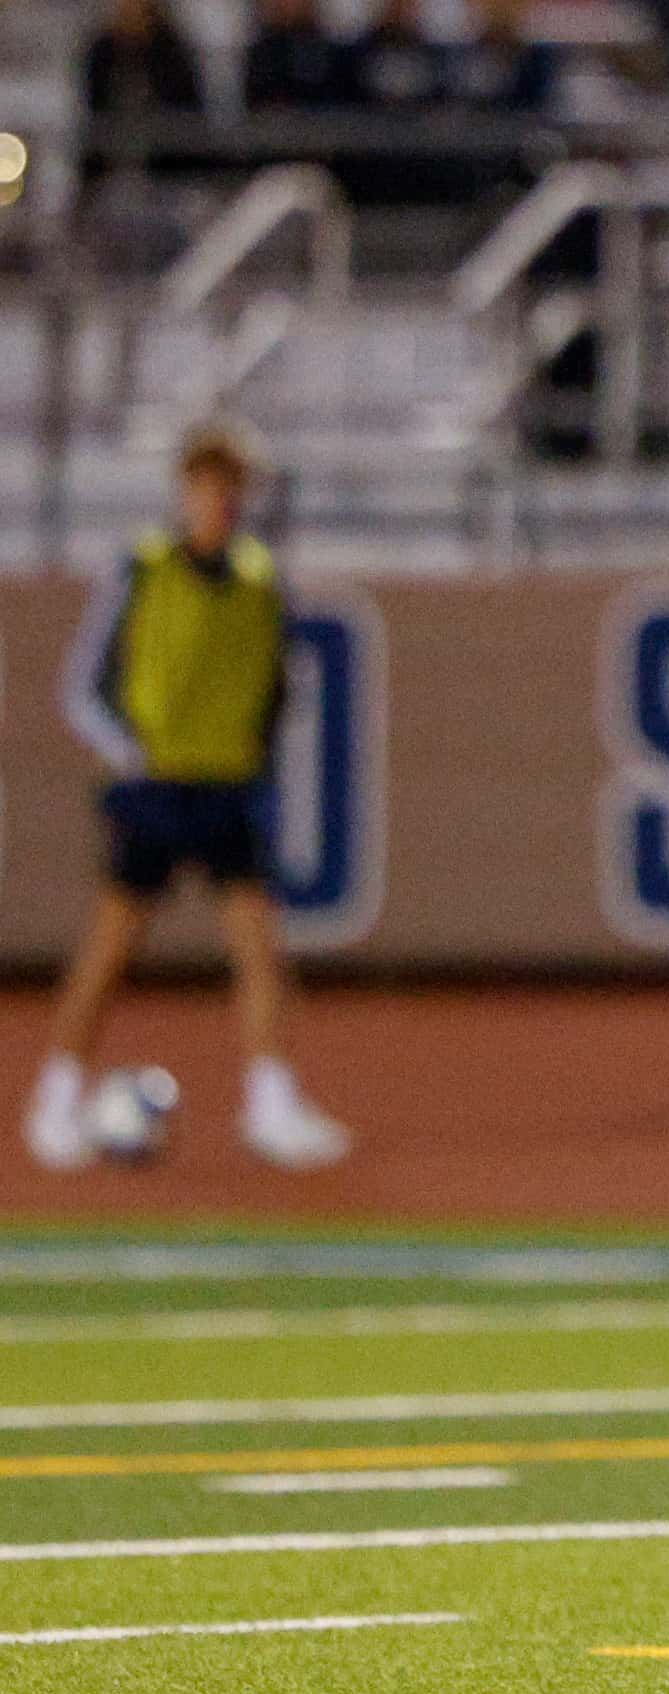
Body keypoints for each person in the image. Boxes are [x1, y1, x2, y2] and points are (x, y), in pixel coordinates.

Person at [23, 428, 353, 1174]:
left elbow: (273, 688)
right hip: (155, 787)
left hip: (228, 786)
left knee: (258, 948)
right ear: (186, 490)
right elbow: (83, 685)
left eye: (233, 488)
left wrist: (255, 762)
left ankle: (270, 1102)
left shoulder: (261, 579)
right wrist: (131, 752)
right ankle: (55, 1095)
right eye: (209, 486)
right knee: (111, 948)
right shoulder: (143, 568)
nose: (221, 502)